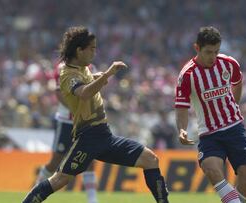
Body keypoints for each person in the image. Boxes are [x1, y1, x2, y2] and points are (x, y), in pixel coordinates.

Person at [22, 26, 169, 203]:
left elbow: (87, 79)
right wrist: (108, 74)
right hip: (87, 138)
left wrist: (98, 76)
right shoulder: (68, 73)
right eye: (91, 48)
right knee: (59, 179)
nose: (94, 52)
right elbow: (83, 93)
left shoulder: (82, 68)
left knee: (150, 159)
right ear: (79, 50)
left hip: (104, 136)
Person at [174, 26, 246, 203]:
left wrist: (234, 103)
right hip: (209, 133)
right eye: (208, 52)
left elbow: (237, 82)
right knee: (211, 168)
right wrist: (181, 129)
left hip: (234, 128)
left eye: (216, 51)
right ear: (197, 48)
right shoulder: (187, 75)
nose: (213, 57)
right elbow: (181, 106)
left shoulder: (229, 63)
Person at [35, 62, 98, 203]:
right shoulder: (62, 67)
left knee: (89, 160)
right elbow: (59, 93)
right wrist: (77, 109)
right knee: (56, 160)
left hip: (84, 122)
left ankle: (92, 199)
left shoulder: (90, 67)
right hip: (66, 122)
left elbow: (94, 91)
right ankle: (36, 190)